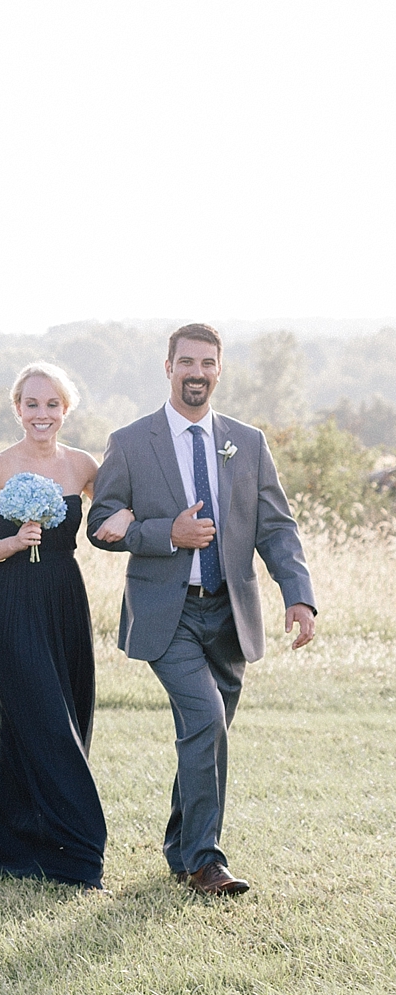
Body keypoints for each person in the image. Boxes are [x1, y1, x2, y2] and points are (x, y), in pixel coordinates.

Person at [89, 324, 316, 896]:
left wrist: (299, 594)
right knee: (207, 723)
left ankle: (179, 845)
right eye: (186, 361)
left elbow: (276, 526)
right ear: (168, 367)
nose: (197, 372)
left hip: (231, 613)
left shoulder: (248, 441)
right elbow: (102, 524)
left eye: (207, 363)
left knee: (205, 737)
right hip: (169, 614)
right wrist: (169, 533)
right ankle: (204, 862)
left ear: (219, 369)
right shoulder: (131, 441)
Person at [0, 365, 105, 889]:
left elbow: (116, 510)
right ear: (17, 408)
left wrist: (130, 522)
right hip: (13, 603)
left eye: (52, 404)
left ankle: (21, 840)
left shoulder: (84, 466)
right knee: (36, 717)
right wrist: (13, 543)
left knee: (69, 709)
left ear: (66, 410)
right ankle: (80, 853)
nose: (42, 414)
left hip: (65, 599)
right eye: (32, 404)